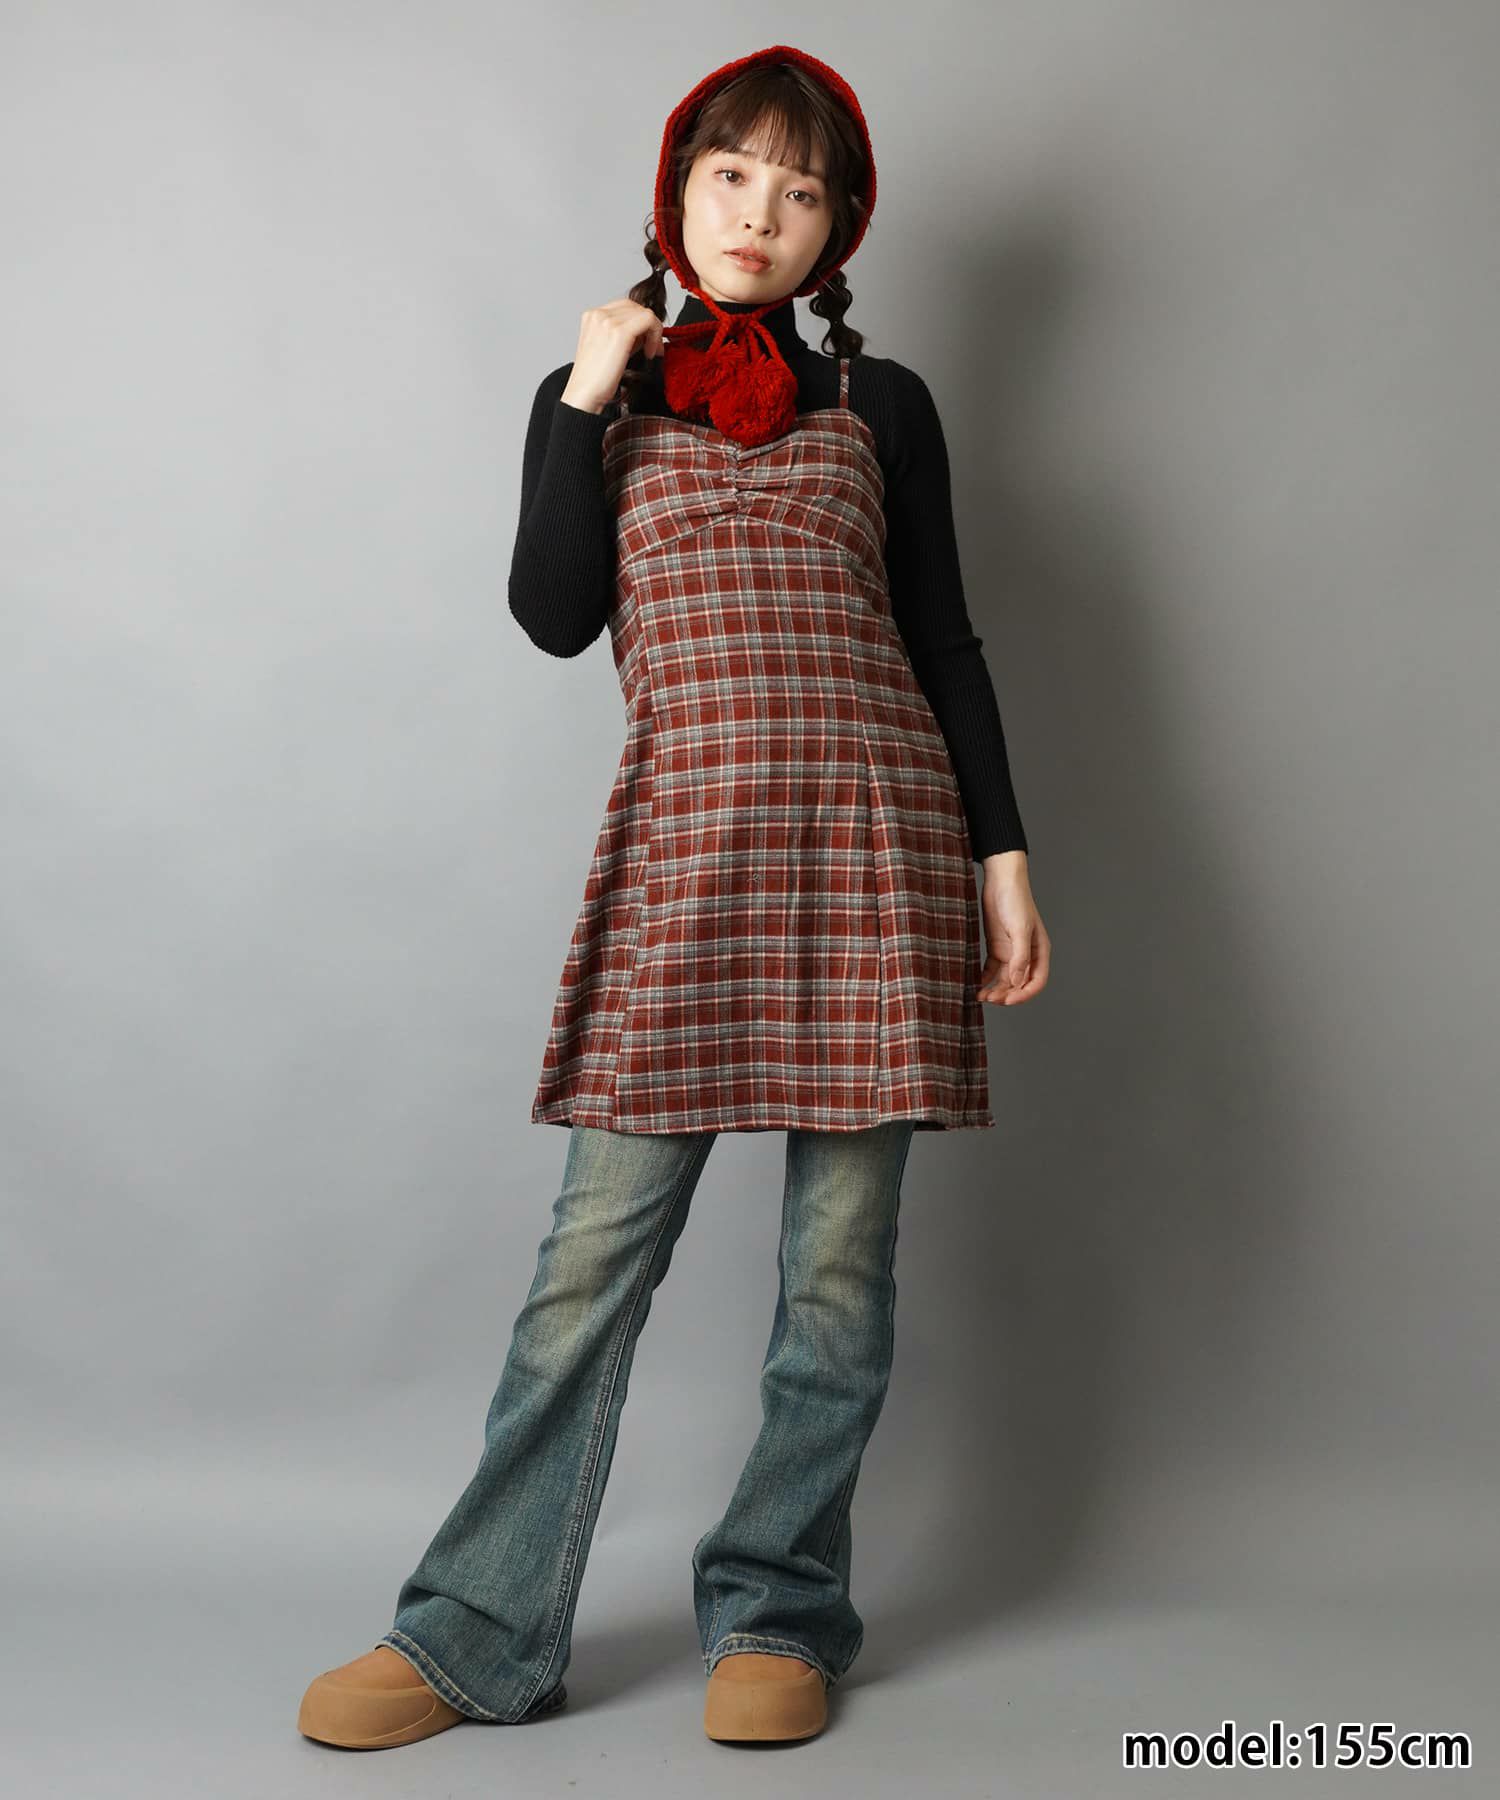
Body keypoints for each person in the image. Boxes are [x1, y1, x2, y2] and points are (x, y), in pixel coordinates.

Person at [297, 42, 1051, 1754]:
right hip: (687, 859)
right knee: (589, 1268)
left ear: (837, 229)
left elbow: (942, 640)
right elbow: (555, 616)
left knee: (838, 1282)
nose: (758, 214)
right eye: (731, 175)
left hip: (876, 856)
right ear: (676, 192)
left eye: (801, 191)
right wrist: (584, 394)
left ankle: (780, 1608)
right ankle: (478, 1629)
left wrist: (1003, 858)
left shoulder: (884, 404)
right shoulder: (597, 398)